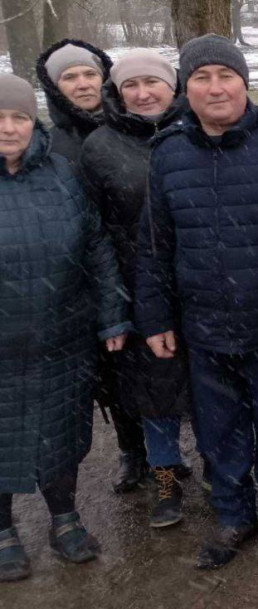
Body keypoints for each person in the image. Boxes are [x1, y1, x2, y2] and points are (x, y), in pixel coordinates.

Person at [136, 35, 258, 572]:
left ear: (244, 83)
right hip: (203, 329)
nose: (215, 87)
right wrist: (154, 315)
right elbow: (155, 244)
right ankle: (232, 515)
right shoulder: (170, 153)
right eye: (202, 78)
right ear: (187, 88)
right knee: (217, 432)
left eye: (226, 76)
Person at [0, 73, 130, 583]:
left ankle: (64, 518)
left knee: (60, 434)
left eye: (19, 118)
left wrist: (112, 313)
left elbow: (96, 249)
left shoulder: (61, 175)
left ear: (34, 123)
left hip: (62, 337)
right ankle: (3, 530)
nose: (8, 128)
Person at [80, 49, 193, 529]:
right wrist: (114, 299)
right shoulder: (101, 146)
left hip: (202, 283)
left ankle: (218, 469)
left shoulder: (198, 132)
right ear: (118, 92)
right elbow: (94, 231)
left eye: (154, 82)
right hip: (137, 286)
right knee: (155, 391)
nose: (144, 93)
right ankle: (165, 479)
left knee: (212, 388)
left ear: (174, 87)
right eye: (132, 85)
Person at [37, 40, 148, 492]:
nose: (83, 84)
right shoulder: (52, 144)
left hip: (141, 260)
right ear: (54, 86)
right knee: (113, 367)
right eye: (70, 77)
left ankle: (167, 454)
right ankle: (132, 449)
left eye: (89, 73)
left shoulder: (133, 124)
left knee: (158, 361)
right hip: (88, 271)